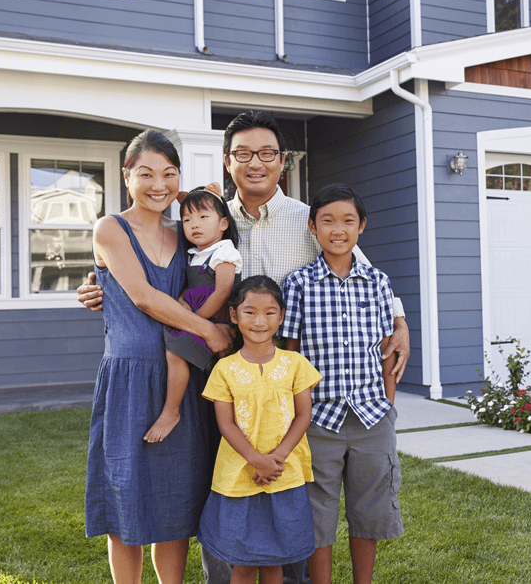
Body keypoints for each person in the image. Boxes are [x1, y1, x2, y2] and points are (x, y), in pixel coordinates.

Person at [78, 111, 410, 583]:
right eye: (244, 154)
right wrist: (97, 284)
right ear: (228, 162)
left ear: (281, 161)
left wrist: (399, 320)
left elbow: (354, 261)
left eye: (268, 154)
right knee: (222, 483)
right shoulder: (206, 218)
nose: (256, 163)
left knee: (285, 489)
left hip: (282, 379)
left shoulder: (307, 220)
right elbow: (141, 276)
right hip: (215, 374)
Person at [85, 130, 233, 584]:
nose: (158, 185)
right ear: (126, 176)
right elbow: (144, 297)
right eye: (145, 174)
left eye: (169, 174)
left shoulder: (185, 230)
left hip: (180, 379)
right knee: (125, 505)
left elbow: (213, 209)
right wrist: (209, 328)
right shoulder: (110, 227)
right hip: (129, 378)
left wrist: (190, 193)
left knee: (174, 506)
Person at [281, 183, 403, 584]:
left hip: (371, 417)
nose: (338, 229)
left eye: (348, 220)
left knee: (370, 511)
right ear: (313, 228)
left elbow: (388, 351)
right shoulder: (299, 284)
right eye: (327, 221)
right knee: (319, 514)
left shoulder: (378, 282)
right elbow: (292, 354)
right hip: (319, 419)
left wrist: (387, 405)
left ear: (361, 227)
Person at [197, 275, 322, 584]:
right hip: (240, 477)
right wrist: (256, 459)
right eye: (250, 311)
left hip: (284, 474)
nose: (259, 321)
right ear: (234, 315)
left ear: (281, 316)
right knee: (242, 563)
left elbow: (303, 416)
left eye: (269, 312)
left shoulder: (295, 363)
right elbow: (225, 423)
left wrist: (275, 459)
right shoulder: (224, 368)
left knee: (274, 561)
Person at [145, 185, 242, 444]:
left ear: (223, 223)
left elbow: (222, 292)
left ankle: (171, 410)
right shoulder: (194, 254)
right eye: (186, 219)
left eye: (202, 217)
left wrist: (196, 322)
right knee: (174, 351)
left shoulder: (225, 252)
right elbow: (191, 286)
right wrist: (180, 301)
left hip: (213, 319)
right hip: (197, 318)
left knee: (175, 352)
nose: (193, 225)